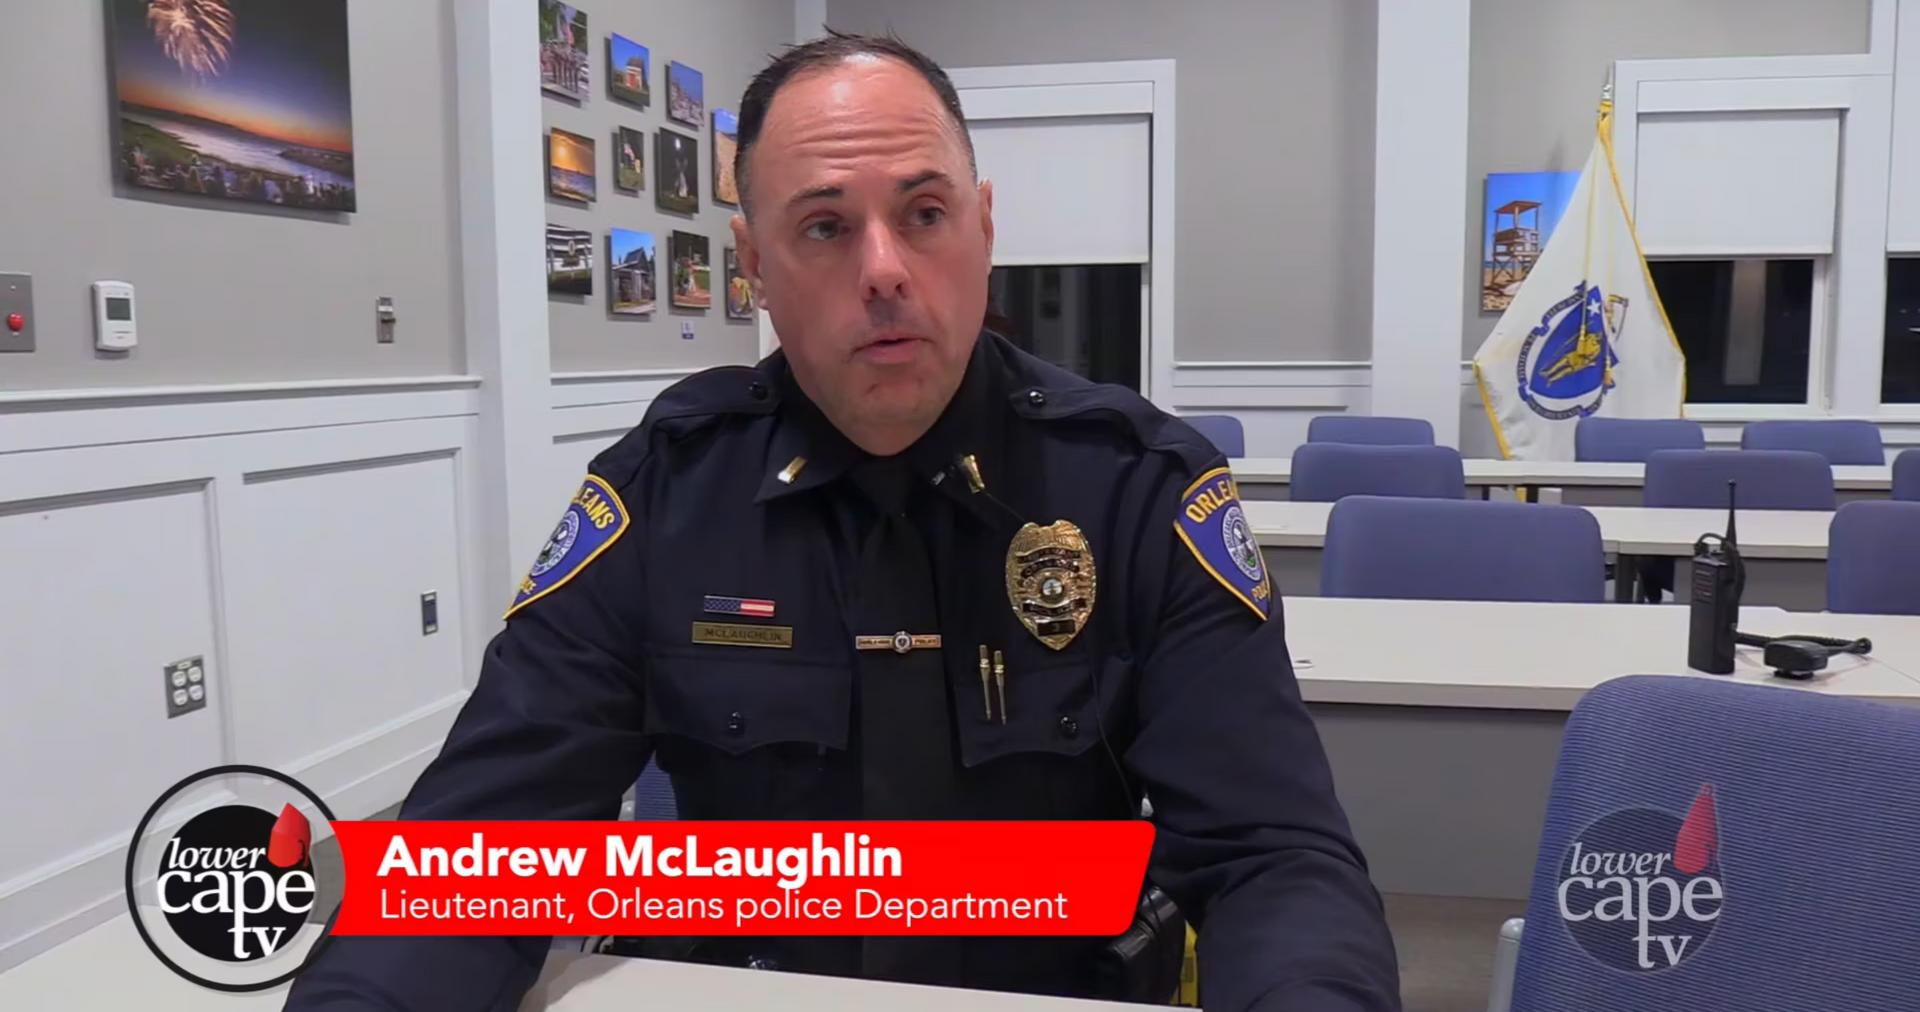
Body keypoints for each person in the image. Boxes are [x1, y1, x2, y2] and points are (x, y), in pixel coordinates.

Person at [283, 30, 1400, 1012]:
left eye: (924, 214)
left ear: (985, 224)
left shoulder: (1137, 487)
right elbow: (484, 847)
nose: (884, 271)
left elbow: (1274, 857)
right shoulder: (666, 492)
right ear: (755, 266)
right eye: (824, 228)